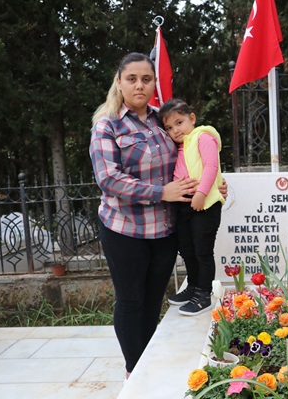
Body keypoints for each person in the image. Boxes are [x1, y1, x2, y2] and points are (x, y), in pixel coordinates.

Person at [89, 52, 225, 379]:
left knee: (152, 301)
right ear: (119, 82)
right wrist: (160, 192)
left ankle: (148, 362)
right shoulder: (107, 125)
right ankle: (134, 371)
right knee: (131, 301)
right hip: (125, 230)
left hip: (163, 230)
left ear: (153, 84)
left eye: (146, 79)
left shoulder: (162, 119)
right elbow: (108, 178)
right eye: (132, 79)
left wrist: (214, 181)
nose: (139, 85)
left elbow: (190, 156)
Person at [158, 99, 224, 316]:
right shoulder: (179, 146)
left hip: (204, 204)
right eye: (169, 127)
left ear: (192, 118)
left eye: (179, 123)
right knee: (187, 249)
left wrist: (201, 194)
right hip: (183, 204)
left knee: (202, 250)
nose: (175, 130)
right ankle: (193, 287)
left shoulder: (203, 137)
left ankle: (204, 293)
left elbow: (211, 166)